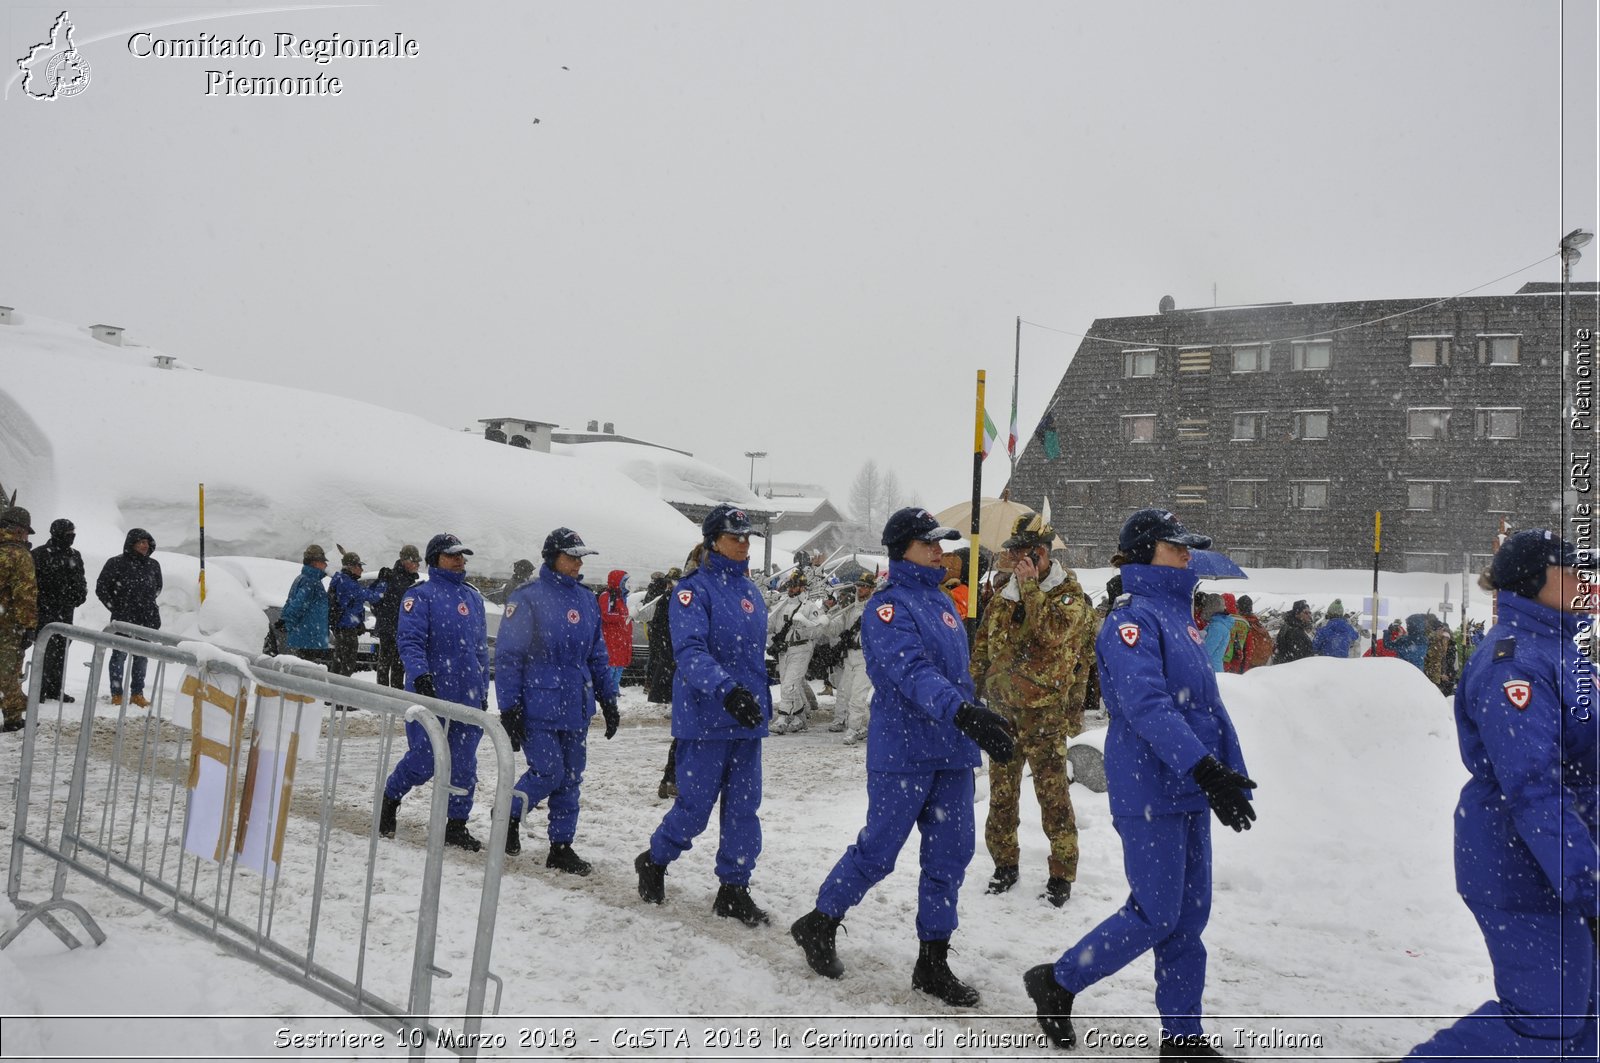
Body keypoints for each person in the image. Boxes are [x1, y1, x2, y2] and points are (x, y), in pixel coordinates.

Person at [1024, 507, 1256, 1058]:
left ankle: (1183, 1039)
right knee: (1156, 911)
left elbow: (1207, 709)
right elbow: (1148, 705)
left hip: (1189, 786)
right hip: (1151, 786)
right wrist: (1203, 767)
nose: (1187, 554)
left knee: (1189, 917)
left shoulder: (1180, 616)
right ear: (1149, 551)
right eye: (1177, 546)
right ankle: (1057, 981)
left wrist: (1225, 775)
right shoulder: (1134, 619)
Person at [790, 507, 1015, 1006]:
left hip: (951, 754)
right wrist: (964, 713)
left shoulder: (940, 602)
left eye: (941, 543)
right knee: (878, 852)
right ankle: (820, 921)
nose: (941, 550)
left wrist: (980, 714)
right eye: (929, 543)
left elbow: (955, 676)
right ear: (903, 549)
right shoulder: (887, 607)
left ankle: (933, 963)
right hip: (905, 754)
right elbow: (911, 673)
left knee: (950, 857)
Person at [1406, 530, 1596, 1060]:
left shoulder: (1563, 650)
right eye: (1574, 570)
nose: (1589, 581)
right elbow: (1534, 785)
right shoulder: (1514, 663)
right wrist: (1586, 881)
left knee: (1586, 1023)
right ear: (1534, 582)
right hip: (1524, 864)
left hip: (1564, 858)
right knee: (1546, 1020)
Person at [636, 505, 773, 928]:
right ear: (714, 540)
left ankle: (734, 888)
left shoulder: (751, 592)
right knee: (695, 807)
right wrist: (727, 691)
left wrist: (754, 698)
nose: (744, 544)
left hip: (746, 719)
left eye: (748, 537)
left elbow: (752, 656)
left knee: (744, 809)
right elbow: (691, 653)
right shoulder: (692, 591)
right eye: (736, 536)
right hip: (707, 716)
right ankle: (655, 860)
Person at [969, 511, 1095, 907]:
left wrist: (1030, 589)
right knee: (1002, 796)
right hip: (1005, 712)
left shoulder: (1069, 597)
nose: (1012, 561)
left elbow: (1052, 633)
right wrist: (973, 692)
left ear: (1041, 555)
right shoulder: (1004, 596)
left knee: (1053, 797)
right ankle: (1004, 865)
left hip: (1045, 714)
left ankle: (1061, 873)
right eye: (1012, 555)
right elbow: (984, 647)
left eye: (1021, 555)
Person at [496, 528, 620, 866]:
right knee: (548, 772)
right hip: (538, 704)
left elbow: (597, 653)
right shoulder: (528, 597)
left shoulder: (585, 598)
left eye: (580, 557)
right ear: (552, 558)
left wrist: (609, 699)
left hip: (576, 704)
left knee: (570, 778)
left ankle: (561, 847)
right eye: (571, 556)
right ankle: (506, 814)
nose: (578, 563)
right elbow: (509, 657)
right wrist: (509, 708)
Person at [379, 533, 490, 852]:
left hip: (467, 695)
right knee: (425, 759)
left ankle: (455, 826)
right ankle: (391, 797)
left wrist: (482, 688)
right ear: (434, 559)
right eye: (452, 555)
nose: (460, 560)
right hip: (431, 693)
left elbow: (481, 649)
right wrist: (420, 675)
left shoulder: (473, 597)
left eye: (462, 555)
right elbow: (410, 641)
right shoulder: (421, 595)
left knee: (464, 764)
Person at [96, 528, 162, 708]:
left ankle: (137, 693)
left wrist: (146, 604)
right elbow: (102, 588)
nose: (145, 546)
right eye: (141, 542)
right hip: (123, 619)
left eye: (147, 542)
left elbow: (158, 588)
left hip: (146, 619)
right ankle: (117, 694)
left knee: (141, 657)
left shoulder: (153, 565)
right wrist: (117, 607)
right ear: (131, 544)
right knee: (119, 655)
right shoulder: (116, 563)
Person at [31, 518, 86, 703]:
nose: (72, 536)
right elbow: (31, 583)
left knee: (62, 650)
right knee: (45, 649)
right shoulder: (39, 554)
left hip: (66, 610)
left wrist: (79, 595)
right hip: (45, 610)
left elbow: (80, 579)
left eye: (73, 532)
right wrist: (42, 601)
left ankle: (56, 688)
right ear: (57, 533)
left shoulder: (74, 555)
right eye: (68, 533)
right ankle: (38, 690)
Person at [821, 571, 876, 743]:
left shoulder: (875, 608)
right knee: (844, 693)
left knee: (857, 696)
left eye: (865, 586)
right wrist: (826, 624)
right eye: (859, 586)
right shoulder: (849, 609)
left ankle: (853, 729)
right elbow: (836, 629)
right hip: (849, 656)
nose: (860, 589)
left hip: (866, 657)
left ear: (872, 589)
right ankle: (861, 724)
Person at [768, 571, 823, 733]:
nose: (790, 589)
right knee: (789, 684)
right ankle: (799, 718)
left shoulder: (810, 606)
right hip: (784, 650)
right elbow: (770, 625)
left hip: (801, 649)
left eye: (794, 586)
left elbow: (819, 630)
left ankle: (783, 718)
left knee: (789, 684)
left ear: (802, 587)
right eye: (789, 586)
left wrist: (803, 627)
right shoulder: (782, 605)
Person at [0, 506, 38, 732]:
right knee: (9, 671)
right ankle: (13, 717)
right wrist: (28, 626)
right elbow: (25, 595)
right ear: (18, 530)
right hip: (8, 625)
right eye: (25, 532)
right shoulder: (19, 555)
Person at [372, 545, 421, 689]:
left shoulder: (408, 579)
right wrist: (386, 619)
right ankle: (385, 695)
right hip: (391, 628)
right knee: (388, 663)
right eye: (415, 561)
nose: (418, 565)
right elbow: (376, 601)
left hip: (399, 628)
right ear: (406, 561)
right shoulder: (394, 578)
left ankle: (394, 694)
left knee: (396, 664)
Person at [329, 550, 384, 677]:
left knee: (339, 662)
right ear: (351, 567)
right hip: (347, 630)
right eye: (359, 566)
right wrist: (383, 584)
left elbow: (361, 594)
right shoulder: (349, 584)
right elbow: (372, 596)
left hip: (340, 627)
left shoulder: (341, 580)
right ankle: (339, 692)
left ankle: (331, 691)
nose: (362, 570)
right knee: (347, 664)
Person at [280, 545, 332, 662]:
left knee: (303, 670)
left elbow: (290, 601)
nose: (325, 565)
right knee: (307, 673)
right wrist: (287, 621)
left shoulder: (302, 578)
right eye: (323, 561)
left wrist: (284, 619)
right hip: (309, 637)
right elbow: (299, 604)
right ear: (315, 563)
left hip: (306, 636)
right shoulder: (311, 581)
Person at [598, 568, 634, 692]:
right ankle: (608, 690)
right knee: (611, 666)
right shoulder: (607, 596)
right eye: (624, 581)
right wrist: (622, 618)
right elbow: (605, 614)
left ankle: (614, 688)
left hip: (620, 639)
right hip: (612, 638)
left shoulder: (621, 598)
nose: (626, 584)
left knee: (619, 666)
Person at [1235, 595, 1274, 672]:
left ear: (1239, 608)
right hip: (1260, 665)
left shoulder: (1241, 624)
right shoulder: (1257, 624)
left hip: (1246, 666)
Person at [1271, 600, 1316, 665]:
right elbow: (1298, 659)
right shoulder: (1294, 631)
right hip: (1293, 670)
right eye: (1306, 613)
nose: (1309, 616)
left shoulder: (1290, 625)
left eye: (1310, 613)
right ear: (1297, 613)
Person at [1199, 593, 1230, 672]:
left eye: (1206, 606)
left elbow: (1207, 651)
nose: (1204, 609)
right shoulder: (1218, 624)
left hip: (1212, 670)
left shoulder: (1216, 627)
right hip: (1214, 668)